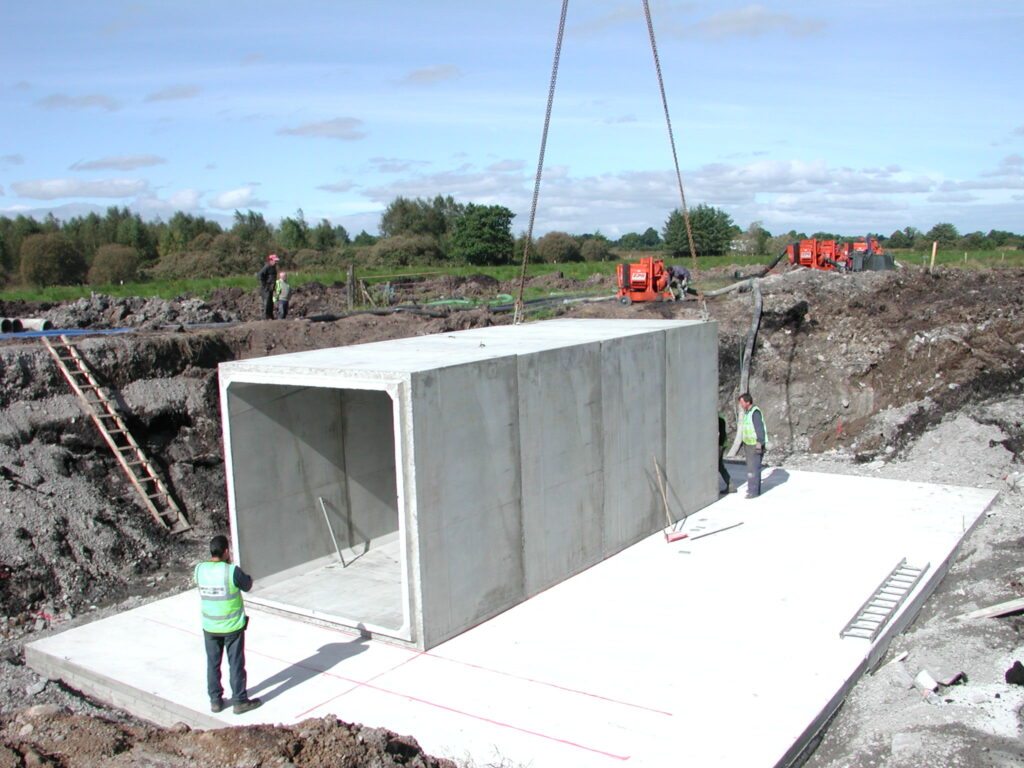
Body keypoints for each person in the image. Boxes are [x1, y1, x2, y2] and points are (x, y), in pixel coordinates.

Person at [194, 535, 262, 714]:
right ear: (226, 551)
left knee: (213, 664)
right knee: (236, 664)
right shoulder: (231, 571)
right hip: (232, 627)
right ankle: (239, 701)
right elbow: (247, 585)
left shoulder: (200, 569)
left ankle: (215, 701)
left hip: (210, 626)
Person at [738, 393, 767, 498]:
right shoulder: (748, 412)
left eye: (742, 402)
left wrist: (759, 444)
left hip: (754, 445)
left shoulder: (755, 413)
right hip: (749, 444)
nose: (741, 405)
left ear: (747, 402)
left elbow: (759, 429)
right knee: (752, 468)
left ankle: (753, 491)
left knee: (753, 468)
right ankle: (754, 489)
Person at [257, 254, 279, 320]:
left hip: (271, 287)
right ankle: (266, 317)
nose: (276, 262)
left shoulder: (273, 267)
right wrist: (264, 284)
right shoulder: (267, 266)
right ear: (270, 260)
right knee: (266, 302)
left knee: (270, 302)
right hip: (266, 288)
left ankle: (271, 316)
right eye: (275, 261)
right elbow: (259, 275)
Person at [718, 412, 734, 494]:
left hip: (720, 445)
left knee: (718, 465)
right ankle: (730, 485)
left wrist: (720, 447)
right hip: (721, 444)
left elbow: (721, 434)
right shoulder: (719, 417)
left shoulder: (719, 419)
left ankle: (730, 484)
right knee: (719, 465)